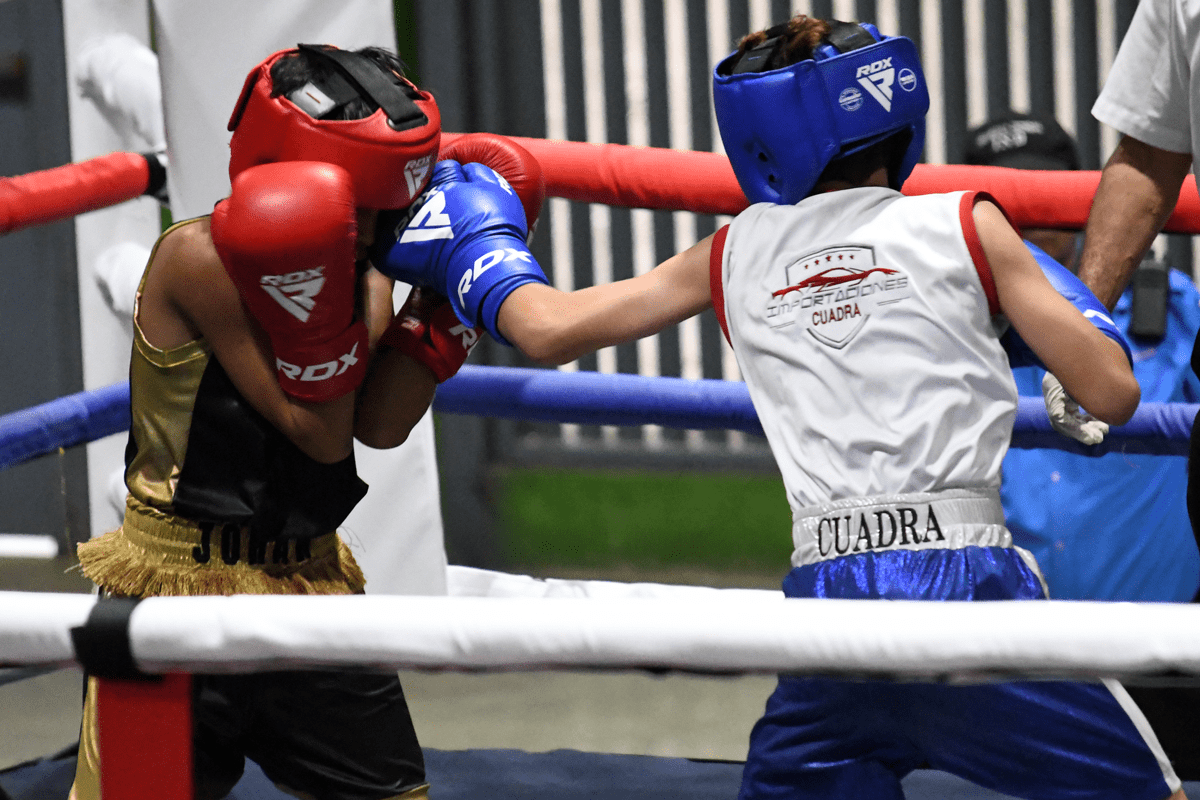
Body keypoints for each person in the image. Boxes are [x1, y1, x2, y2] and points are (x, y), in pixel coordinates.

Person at [370, 15, 1186, 800]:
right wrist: (1075, 303)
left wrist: (475, 244)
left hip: (826, 604)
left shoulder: (734, 250)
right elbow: (1111, 393)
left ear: (757, 140)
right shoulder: (963, 222)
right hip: (964, 588)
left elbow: (547, 331)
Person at [67, 44, 533, 800]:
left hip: (307, 580)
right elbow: (317, 432)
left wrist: (441, 304)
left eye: (398, 199)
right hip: (178, 589)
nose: (390, 220)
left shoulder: (363, 264)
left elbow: (379, 427)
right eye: (376, 200)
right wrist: (381, 289)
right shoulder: (198, 259)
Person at [965, 112, 1200, 604]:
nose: (1029, 219)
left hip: (1165, 643)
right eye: (1005, 204)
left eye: (1044, 197)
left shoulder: (1172, 306)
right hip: (1013, 643)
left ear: (1082, 206)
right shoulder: (953, 321)